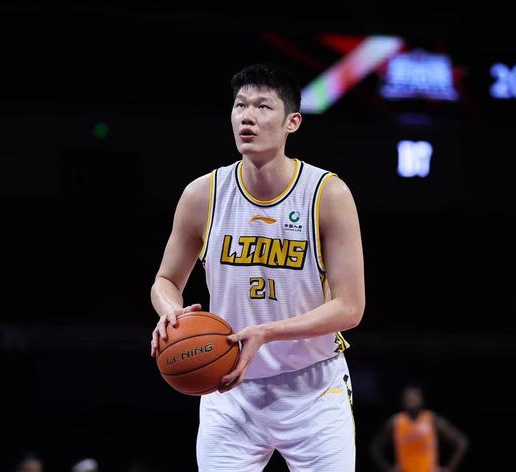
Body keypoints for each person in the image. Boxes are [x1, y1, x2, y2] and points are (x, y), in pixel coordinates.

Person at [150, 63, 365, 471]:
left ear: (292, 122)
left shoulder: (327, 194)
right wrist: (170, 312)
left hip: (313, 389)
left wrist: (266, 333)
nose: (247, 116)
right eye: (240, 105)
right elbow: (165, 280)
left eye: (263, 107)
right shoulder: (202, 194)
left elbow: (350, 308)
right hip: (229, 388)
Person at [370, 386, 469, 472]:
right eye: (408, 397)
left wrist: (449, 469)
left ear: (422, 399)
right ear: (402, 400)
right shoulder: (395, 422)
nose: (412, 399)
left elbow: (461, 442)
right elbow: (375, 448)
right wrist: (388, 469)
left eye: (415, 396)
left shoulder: (431, 419)